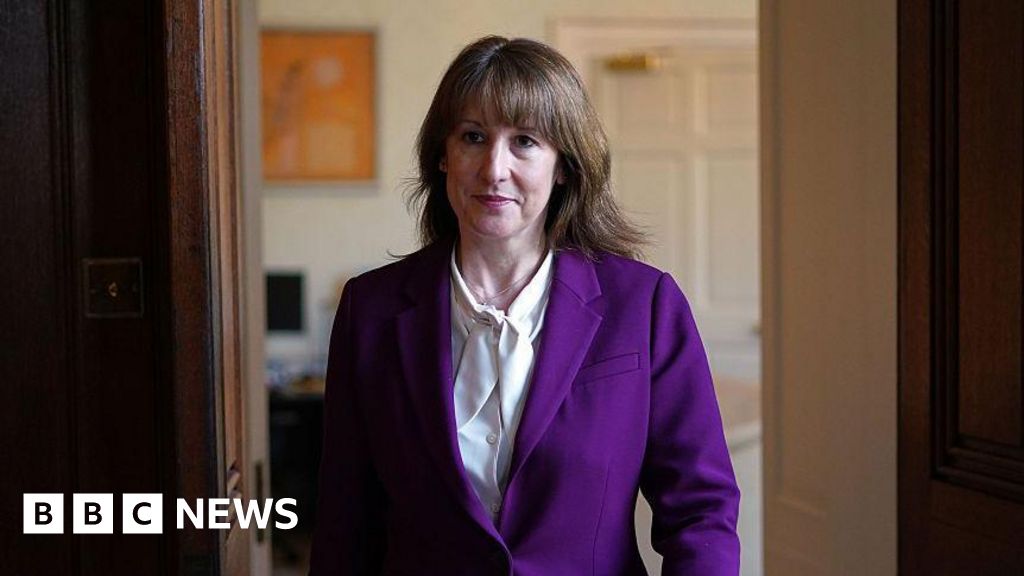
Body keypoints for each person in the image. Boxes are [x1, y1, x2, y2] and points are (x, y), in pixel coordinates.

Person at [309, 35, 740, 576]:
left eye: (525, 142)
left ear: (563, 165)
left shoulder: (644, 305)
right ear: (442, 156)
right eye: (473, 137)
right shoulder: (370, 311)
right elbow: (345, 518)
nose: (494, 169)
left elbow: (700, 510)